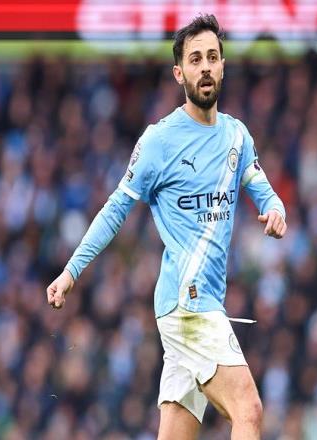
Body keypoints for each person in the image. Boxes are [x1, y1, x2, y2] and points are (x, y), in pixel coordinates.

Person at [46, 14, 286, 439]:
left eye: (212, 57)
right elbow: (115, 209)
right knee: (248, 409)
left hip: (196, 306)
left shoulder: (237, 136)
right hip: (188, 304)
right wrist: (70, 272)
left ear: (223, 65)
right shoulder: (159, 141)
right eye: (195, 60)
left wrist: (276, 211)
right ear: (179, 73)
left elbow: (263, 190)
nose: (205, 67)